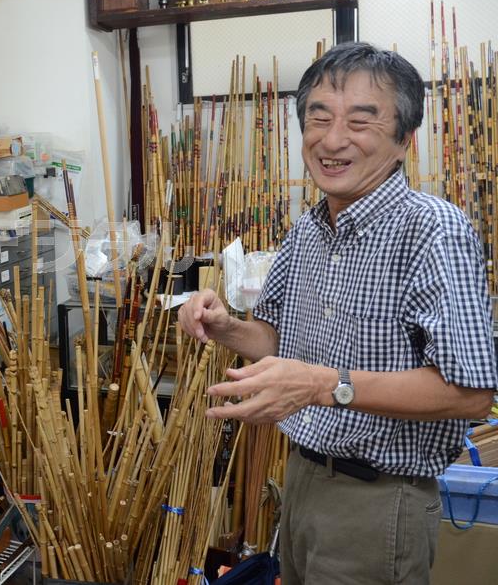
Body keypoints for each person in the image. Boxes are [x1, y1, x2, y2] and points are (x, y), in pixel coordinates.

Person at [179, 42, 496, 584]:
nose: (331, 140)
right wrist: (226, 326)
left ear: (404, 139)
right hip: (303, 477)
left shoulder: (432, 231)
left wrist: (325, 386)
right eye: (319, 118)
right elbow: (279, 342)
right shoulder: (308, 229)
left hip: (378, 501)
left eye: (360, 121)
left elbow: (470, 394)